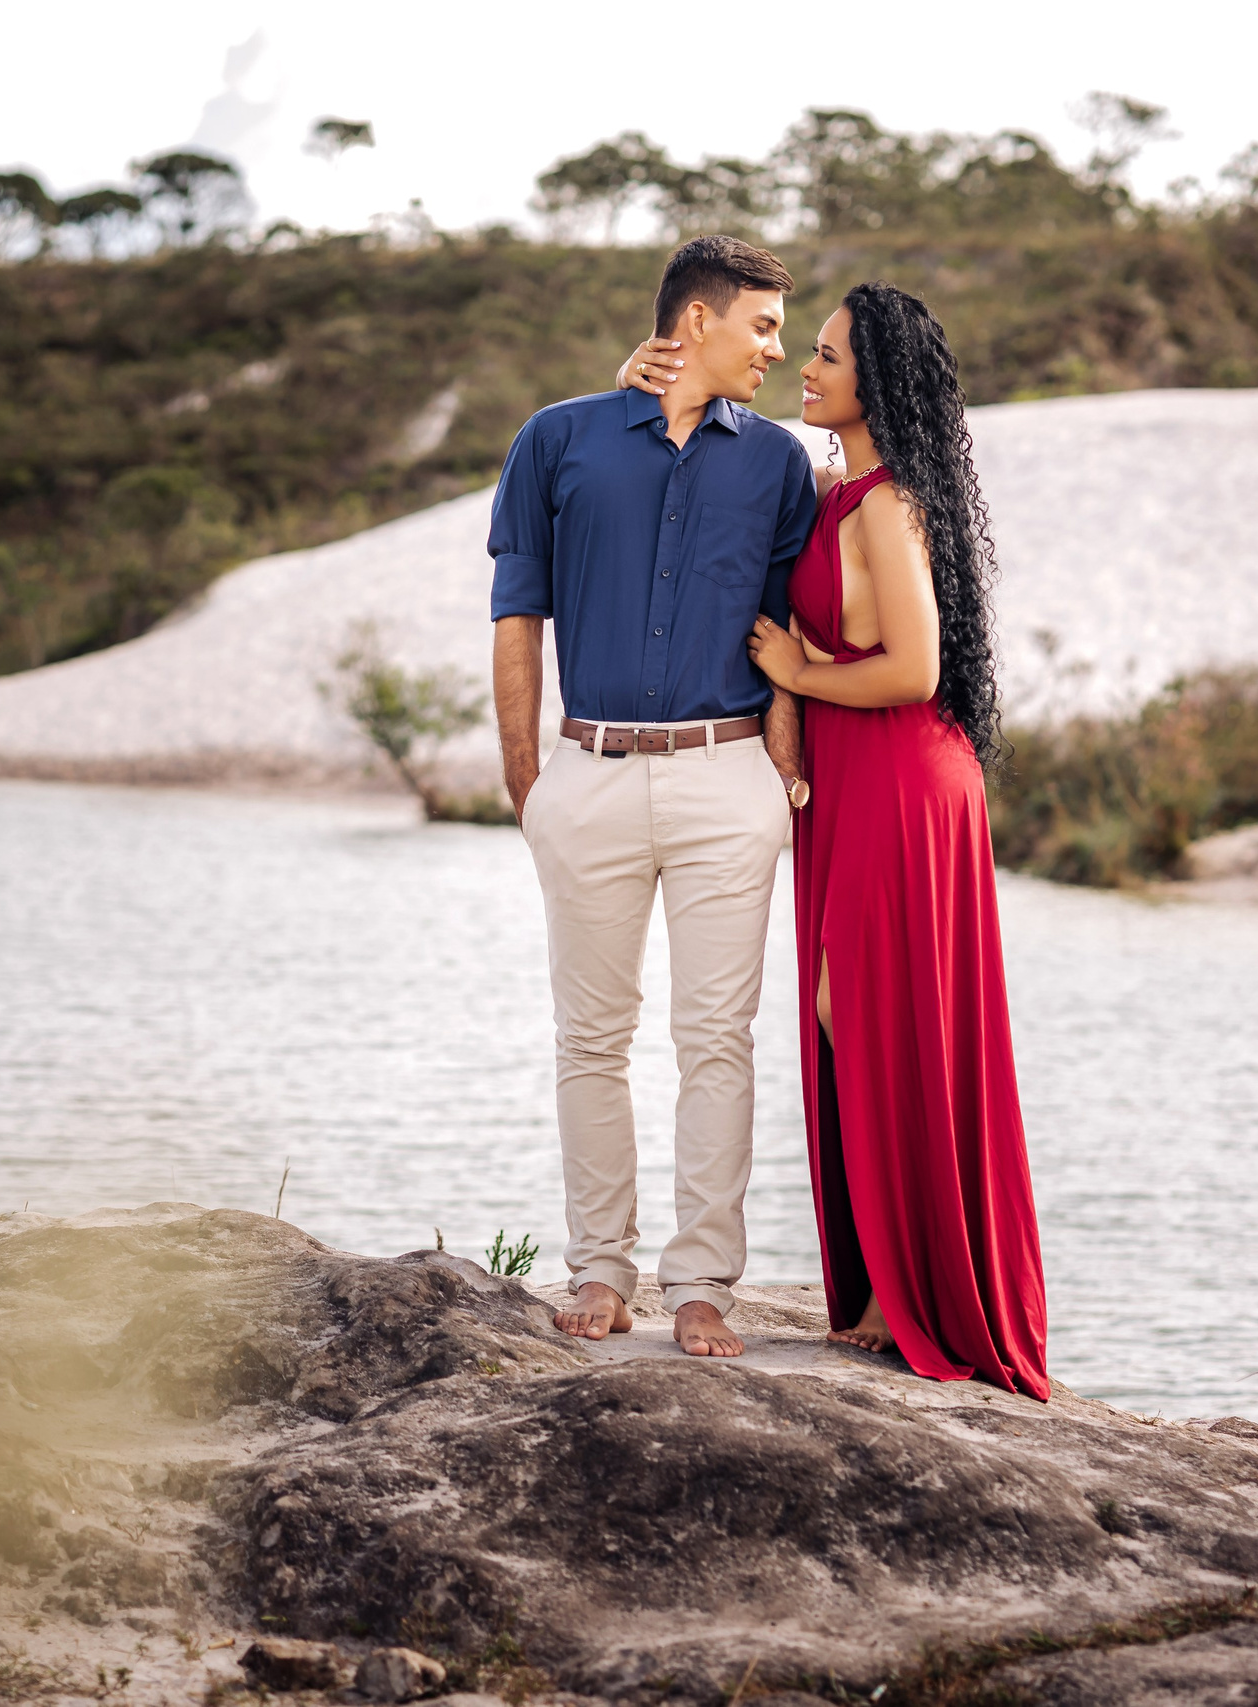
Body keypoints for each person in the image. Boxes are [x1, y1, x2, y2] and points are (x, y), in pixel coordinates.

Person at [617, 282, 1049, 1399]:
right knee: (856, 1018)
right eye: (801, 352)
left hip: (904, 778)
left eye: (826, 358)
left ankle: (918, 1294)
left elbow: (915, 668)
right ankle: (872, 1294)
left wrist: (795, 673)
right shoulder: (835, 487)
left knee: (858, 1010)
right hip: (860, 784)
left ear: (879, 384)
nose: (804, 371)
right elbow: (714, 454)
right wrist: (642, 383)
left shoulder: (887, 507)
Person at [489, 236, 819, 1359]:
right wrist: (528, 780)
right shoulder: (558, 438)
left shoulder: (776, 462)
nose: (776, 348)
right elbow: (515, 617)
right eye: (764, 326)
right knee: (590, 1038)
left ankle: (701, 1287)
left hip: (728, 778)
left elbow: (785, 628)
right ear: (696, 322)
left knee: (717, 1039)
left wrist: (776, 770)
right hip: (586, 775)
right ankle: (599, 1272)